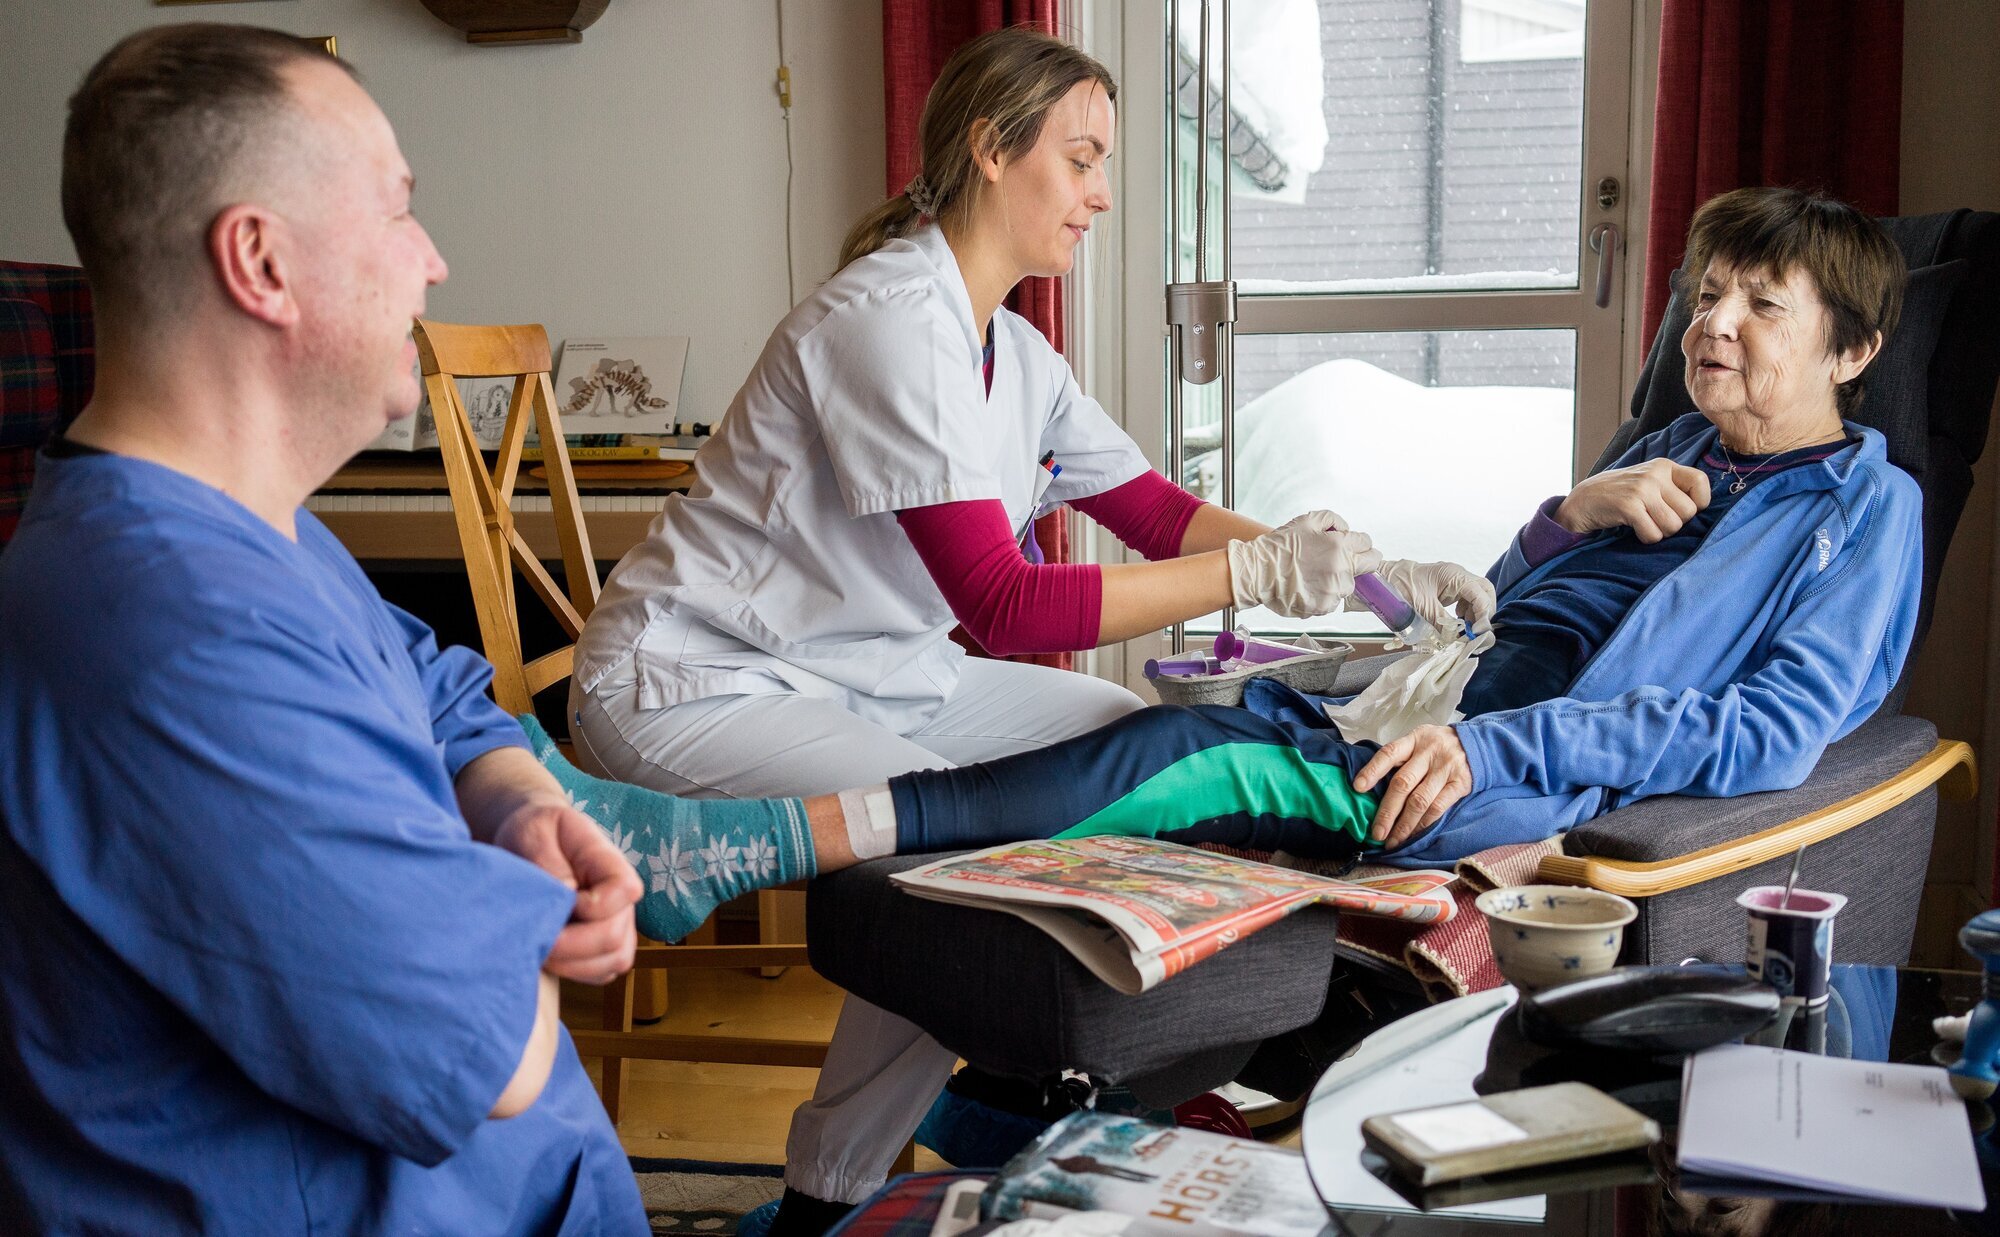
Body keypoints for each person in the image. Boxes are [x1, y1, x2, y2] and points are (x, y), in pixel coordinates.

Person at [564, 27, 1489, 1233]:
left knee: (1121, 733)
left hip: (863, 676)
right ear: (992, 152)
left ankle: (1004, 1090)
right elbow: (1005, 601)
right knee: (953, 849)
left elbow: (1153, 513)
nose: (1102, 193)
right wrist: (1248, 573)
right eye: (1082, 157)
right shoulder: (890, 321)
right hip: (693, 682)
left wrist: (1370, 577)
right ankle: (831, 1185)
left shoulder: (1013, 345)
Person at [2, 26, 654, 1232]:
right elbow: (491, 1043)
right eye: (397, 209)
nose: (434, 260)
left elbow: (444, 687)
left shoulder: (260, 531)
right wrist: (524, 896)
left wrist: (519, 807)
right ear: (260, 261)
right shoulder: (174, 633)